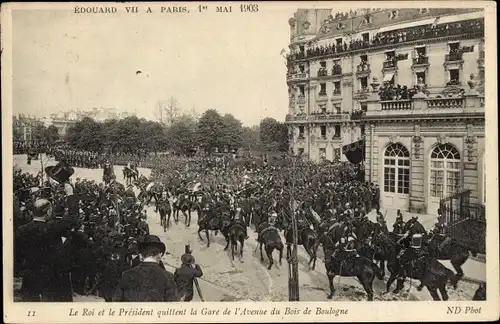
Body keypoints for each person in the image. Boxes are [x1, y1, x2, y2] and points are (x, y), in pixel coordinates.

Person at [112, 235, 180, 302]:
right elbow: (173, 305)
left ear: (141, 255)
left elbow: (116, 303)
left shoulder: (126, 275)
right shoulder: (168, 276)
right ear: (160, 255)